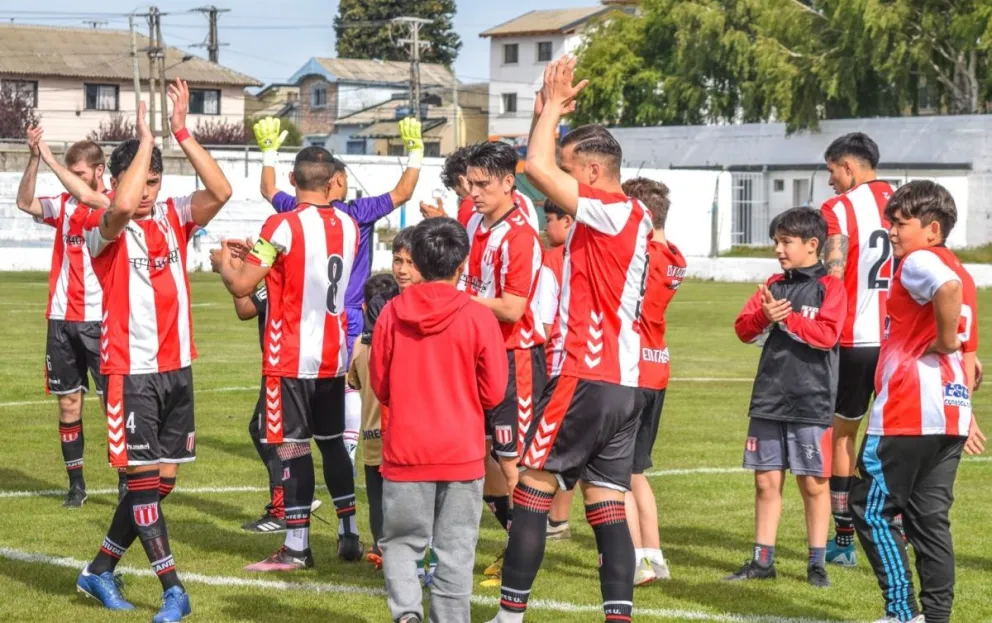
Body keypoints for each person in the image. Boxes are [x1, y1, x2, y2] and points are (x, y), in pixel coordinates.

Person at [488, 57, 654, 623]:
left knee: (532, 486)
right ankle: (618, 616)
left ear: (588, 173)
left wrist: (553, 112)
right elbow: (541, 161)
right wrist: (546, 116)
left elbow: (532, 165)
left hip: (587, 373)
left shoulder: (609, 211)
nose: (554, 184)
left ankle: (510, 616)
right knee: (606, 502)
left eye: (566, 169)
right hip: (627, 386)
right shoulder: (631, 215)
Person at [72, 81, 233, 622]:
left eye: (155, 182)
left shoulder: (173, 217)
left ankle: (98, 570)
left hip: (176, 368)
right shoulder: (103, 229)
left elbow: (222, 191)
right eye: (142, 181)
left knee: (159, 484)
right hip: (130, 372)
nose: (147, 192)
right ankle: (174, 591)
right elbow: (118, 205)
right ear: (118, 179)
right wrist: (143, 141)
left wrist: (180, 132)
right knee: (142, 485)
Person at [218, 146, 364, 571]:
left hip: (292, 356)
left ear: (291, 179)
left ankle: (297, 547)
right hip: (333, 354)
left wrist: (226, 264)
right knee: (333, 444)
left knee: (292, 449)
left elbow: (243, 286)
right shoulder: (350, 225)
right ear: (332, 179)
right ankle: (348, 530)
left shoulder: (281, 225)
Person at [254, 116, 423, 470]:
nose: (346, 183)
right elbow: (402, 192)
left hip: (300, 320)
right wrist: (415, 155)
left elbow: (268, 189)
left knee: (318, 393)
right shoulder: (355, 215)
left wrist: (268, 153)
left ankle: (320, 448)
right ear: (333, 181)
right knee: (346, 382)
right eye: (343, 179)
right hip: (345, 314)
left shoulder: (294, 213)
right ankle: (343, 448)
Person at [850, 181, 985, 623]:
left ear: (932, 228)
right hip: (948, 411)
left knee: (868, 509)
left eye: (900, 222)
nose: (891, 229)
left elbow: (945, 294)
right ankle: (936, 617)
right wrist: (967, 407)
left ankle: (902, 612)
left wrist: (944, 340)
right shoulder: (961, 269)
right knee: (930, 521)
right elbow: (970, 349)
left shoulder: (919, 261)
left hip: (908, 409)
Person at [369, 217, 508, 623]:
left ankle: (407, 613)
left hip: (408, 447)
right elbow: (495, 391)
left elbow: (381, 382)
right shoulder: (479, 316)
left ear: (419, 261)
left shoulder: (392, 313)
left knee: (400, 542)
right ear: (461, 264)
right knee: (456, 548)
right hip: (461, 449)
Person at [729, 207, 846, 589]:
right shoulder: (772, 285)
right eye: (776, 242)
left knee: (813, 485)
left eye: (786, 242)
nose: (778, 249)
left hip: (812, 400)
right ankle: (763, 561)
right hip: (768, 397)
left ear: (812, 245)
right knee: (765, 483)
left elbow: (827, 336)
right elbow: (743, 331)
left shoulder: (831, 287)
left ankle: (816, 564)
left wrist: (786, 319)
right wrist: (763, 317)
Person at [15, 128, 124, 507]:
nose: (75, 181)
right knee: (67, 404)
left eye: (81, 174)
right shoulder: (62, 206)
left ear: (98, 171)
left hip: (101, 319)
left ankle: (126, 480)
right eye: (72, 174)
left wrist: (51, 159)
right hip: (61, 319)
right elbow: (24, 202)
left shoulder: (109, 204)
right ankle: (76, 485)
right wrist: (33, 158)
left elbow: (90, 198)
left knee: (112, 403)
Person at [457, 142, 546, 588]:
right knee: (482, 455)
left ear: (509, 183)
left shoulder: (520, 235)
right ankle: (516, 538)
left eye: (482, 184)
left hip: (517, 359)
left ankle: (520, 557)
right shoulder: (473, 222)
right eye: (469, 183)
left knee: (514, 462)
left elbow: (512, 308)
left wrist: (457, 301)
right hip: (480, 353)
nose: (472, 192)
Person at [209, 238, 324, 534]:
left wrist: (229, 269)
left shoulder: (279, 275)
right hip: (297, 359)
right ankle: (296, 495)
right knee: (268, 431)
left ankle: (285, 504)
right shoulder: (289, 271)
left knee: (271, 434)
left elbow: (245, 306)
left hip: (282, 362)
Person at [818, 132, 895, 567]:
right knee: (892, 437)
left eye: (831, 171)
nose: (830, 181)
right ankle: (897, 528)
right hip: (898, 343)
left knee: (843, 436)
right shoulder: (908, 201)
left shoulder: (839, 209)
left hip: (854, 340)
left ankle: (844, 541)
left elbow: (833, 272)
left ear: (848, 167)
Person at [621, 177, 686, 586]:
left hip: (630, 367)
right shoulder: (673, 254)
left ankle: (632, 560)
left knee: (614, 474)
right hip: (657, 364)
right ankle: (654, 555)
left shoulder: (642, 254)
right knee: (636, 471)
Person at [347, 273, 401, 569]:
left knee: (377, 494)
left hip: (370, 431)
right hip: (398, 432)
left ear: (366, 309)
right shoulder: (400, 342)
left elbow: (353, 382)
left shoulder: (359, 345)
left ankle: (381, 545)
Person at [537, 202, 577, 540]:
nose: (545, 226)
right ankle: (557, 518)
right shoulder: (588, 253)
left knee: (549, 445)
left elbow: (545, 323)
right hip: (589, 361)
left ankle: (546, 518)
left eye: (549, 219)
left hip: (555, 362)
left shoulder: (553, 259)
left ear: (567, 220)